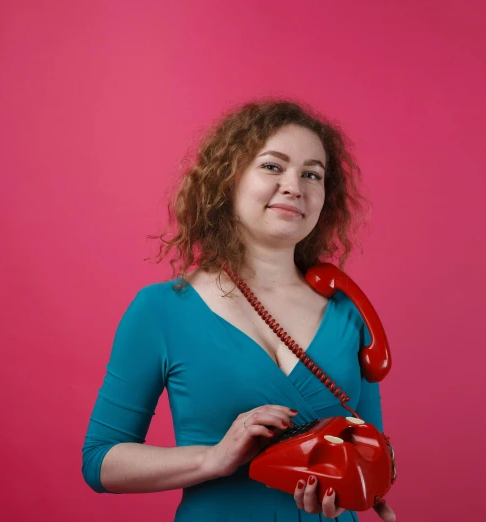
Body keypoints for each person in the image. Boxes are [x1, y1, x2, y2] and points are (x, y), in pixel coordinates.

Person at [81, 100, 397, 522]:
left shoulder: (347, 313)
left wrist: (366, 486)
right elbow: (100, 461)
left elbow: (370, 445)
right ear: (228, 180)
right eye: (272, 166)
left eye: (311, 174)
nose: (294, 186)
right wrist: (214, 458)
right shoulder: (160, 310)